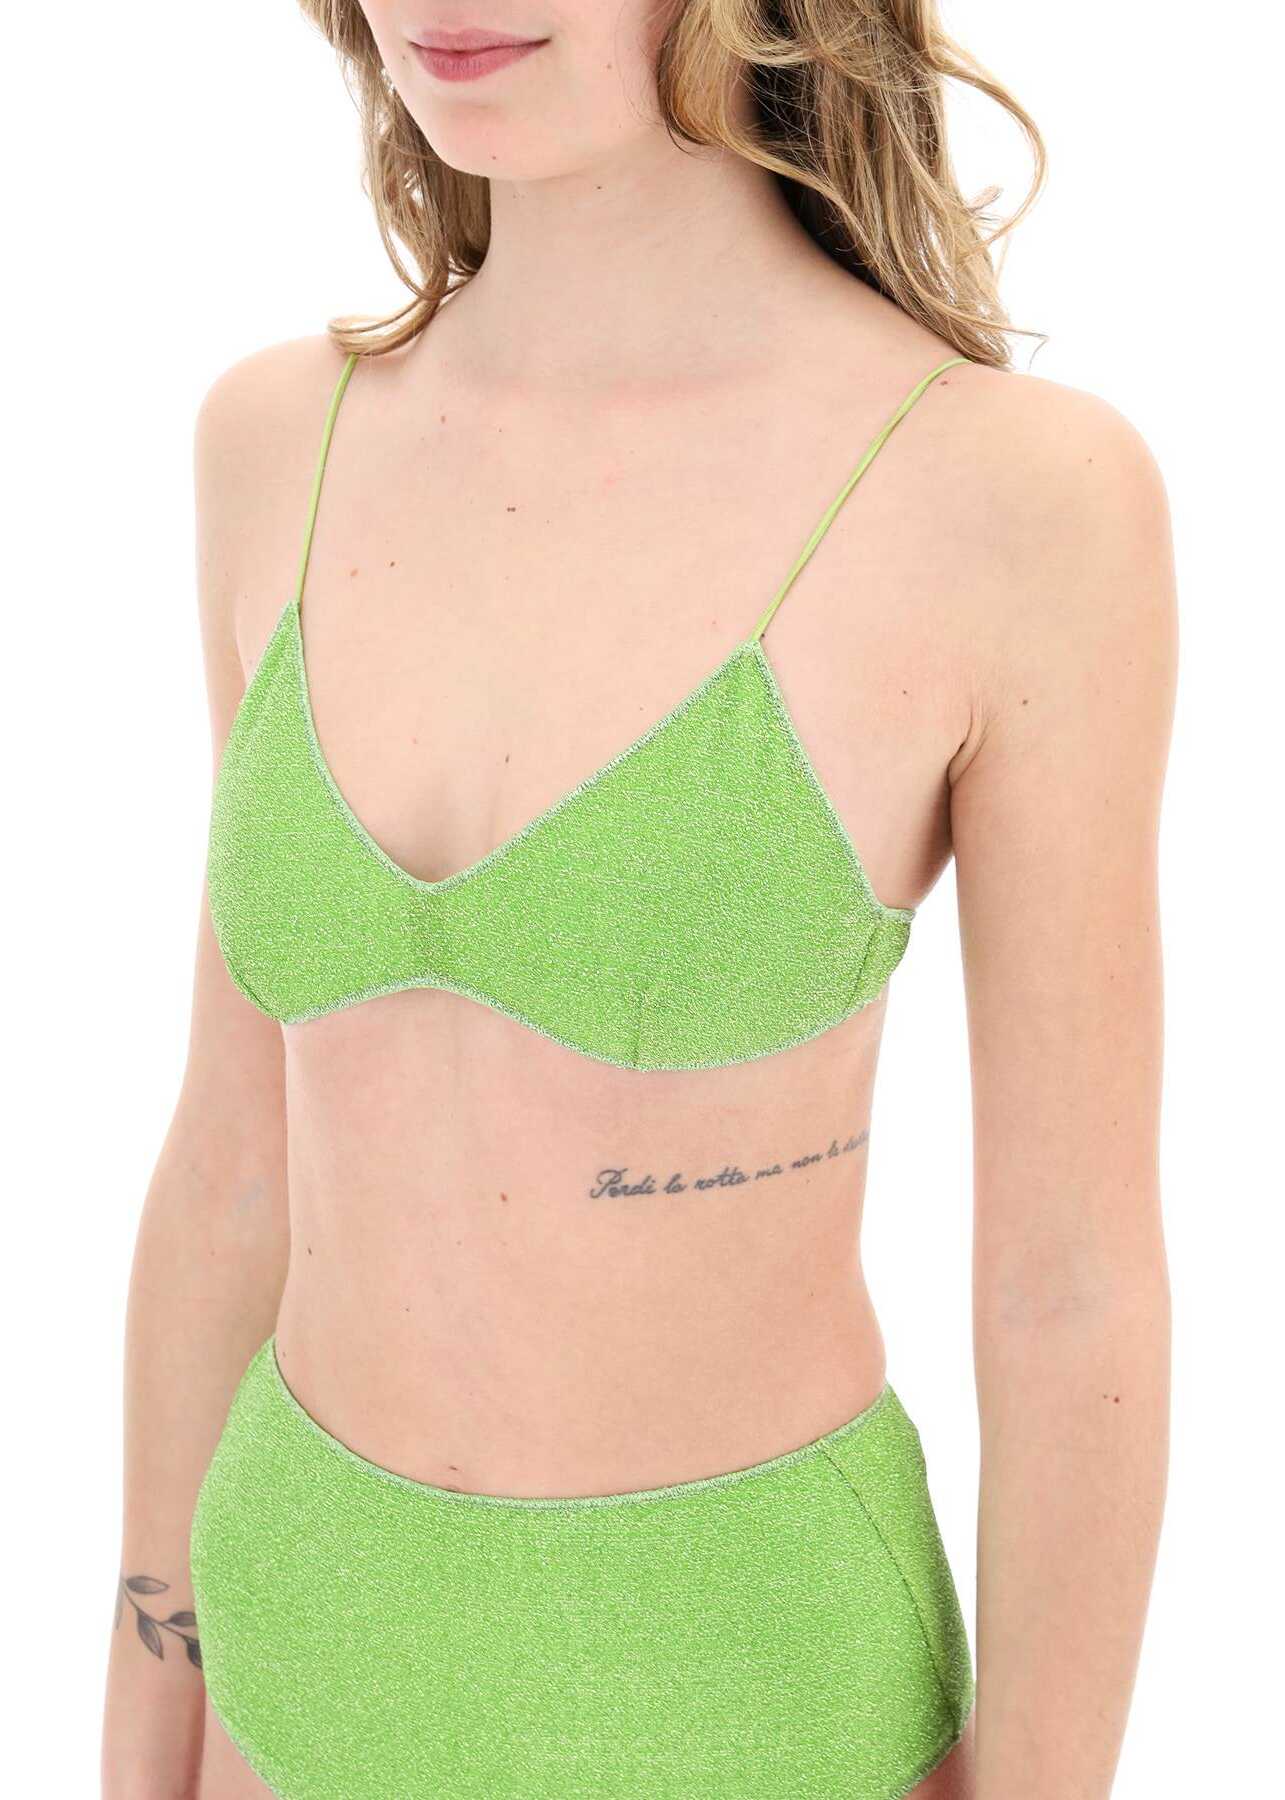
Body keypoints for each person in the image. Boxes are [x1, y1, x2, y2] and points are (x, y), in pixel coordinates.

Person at [101, 4, 1176, 1796]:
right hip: (291, 1656)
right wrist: (142, 1732)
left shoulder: (1011, 494)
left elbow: (1066, 1285)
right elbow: (232, 1165)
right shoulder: (276, 439)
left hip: (751, 1694)